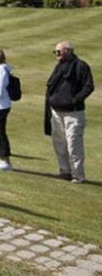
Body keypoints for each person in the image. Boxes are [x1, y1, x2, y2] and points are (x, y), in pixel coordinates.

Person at [45, 41, 94, 183]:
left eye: (59, 51)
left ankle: (77, 175)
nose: (57, 54)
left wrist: (75, 100)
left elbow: (89, 86)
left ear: (68, 51)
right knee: (59, 143)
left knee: (73, 144)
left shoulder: (80, 66)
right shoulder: (59, 66)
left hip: (73, 113)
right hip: (57, 112)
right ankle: (65, 171)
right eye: (55, 52)